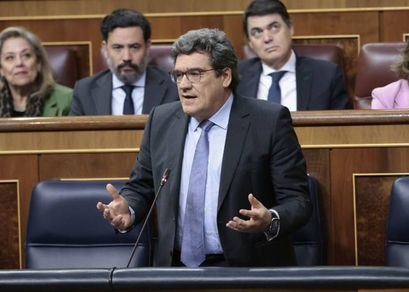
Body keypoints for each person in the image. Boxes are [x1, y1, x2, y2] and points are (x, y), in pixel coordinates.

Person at [97, 28, 311, 267]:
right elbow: (142, 186)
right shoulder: (162, 120)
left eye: (195, 74)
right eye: (178, 75)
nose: (184, 85)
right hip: (174, 268)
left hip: (247, 269)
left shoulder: (268, 121)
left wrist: (270, 219)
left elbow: (298, 201)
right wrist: (130, 209)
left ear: (226, 76)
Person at [236, 0, 348, 111]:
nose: (267, 38)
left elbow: (342, 128)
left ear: (290, 28)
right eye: (257, 32)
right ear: (249, 42)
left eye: (274, 27)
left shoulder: (327, 76)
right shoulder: (235, 77)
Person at [70, 8, 178, 115]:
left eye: (134, 47)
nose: (126, 57)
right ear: (105, 48)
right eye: (117, 47)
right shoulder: (84, 91)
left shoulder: (173, 88)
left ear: (147, 47)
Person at [0, 27, 72, 117]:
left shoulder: (67, 99)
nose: (19, 63)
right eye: (10, 58)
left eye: (26, 55)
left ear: (38, 63)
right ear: (1, 69)